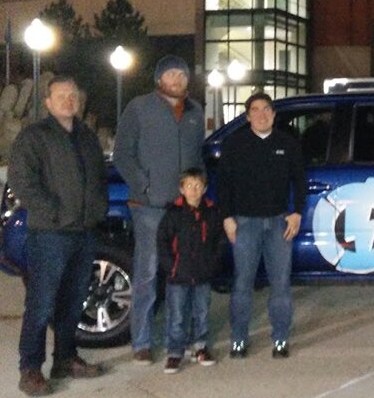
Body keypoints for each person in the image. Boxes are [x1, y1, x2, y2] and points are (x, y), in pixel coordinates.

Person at [8, 76, 107, 397]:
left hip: (83, 233)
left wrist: (98, 209)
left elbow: (98, 177)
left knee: (73, 301)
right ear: (48, 103)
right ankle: (30, 368)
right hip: (50, 235)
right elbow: (22, 181)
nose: (68, 100)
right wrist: (52, 213)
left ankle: (65, 359)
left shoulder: (86, 136)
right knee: (41, 302)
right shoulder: (35, 136)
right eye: (61, 96)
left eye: (73, 95)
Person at [113, 55, 205, 365]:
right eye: (171, 74)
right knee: (147, 274)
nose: (177, 79)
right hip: (150, 208)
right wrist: (144, 185)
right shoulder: (139, 107)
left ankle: (179, 339)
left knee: (181, 275)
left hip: (183, 210)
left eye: (182, 73)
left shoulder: (195, 112)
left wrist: (198, 187)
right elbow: (122, 154)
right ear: (159, 79)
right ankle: (141, 341)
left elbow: (198, 158)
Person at [217, 92, 306, 359]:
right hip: (244, 223)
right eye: (255, 110)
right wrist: (227, 217)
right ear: (247, 116)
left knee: (280, 283)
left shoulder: (287, 144)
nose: (262, 114)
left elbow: (300, 181)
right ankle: (238, 340)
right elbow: (224, 184)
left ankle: (280, 338)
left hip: (279, 223)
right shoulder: (235, 144)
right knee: (242, 283)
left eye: (267, 109)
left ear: (274, 114)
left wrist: (297, 212)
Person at [157, 168, 224, 374]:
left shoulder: (212, 212)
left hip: (202, 274)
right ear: (181, 189)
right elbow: (163, 241)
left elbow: (219, 241)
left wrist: (213, 264)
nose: (193, 191)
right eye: (189, 186)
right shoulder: (173, 213)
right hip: (179, 274)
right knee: (177, 315)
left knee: (201, 312)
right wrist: (171, 266)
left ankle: (200, 346)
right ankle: (175, 352)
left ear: (204, 188)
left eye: (198, 186)